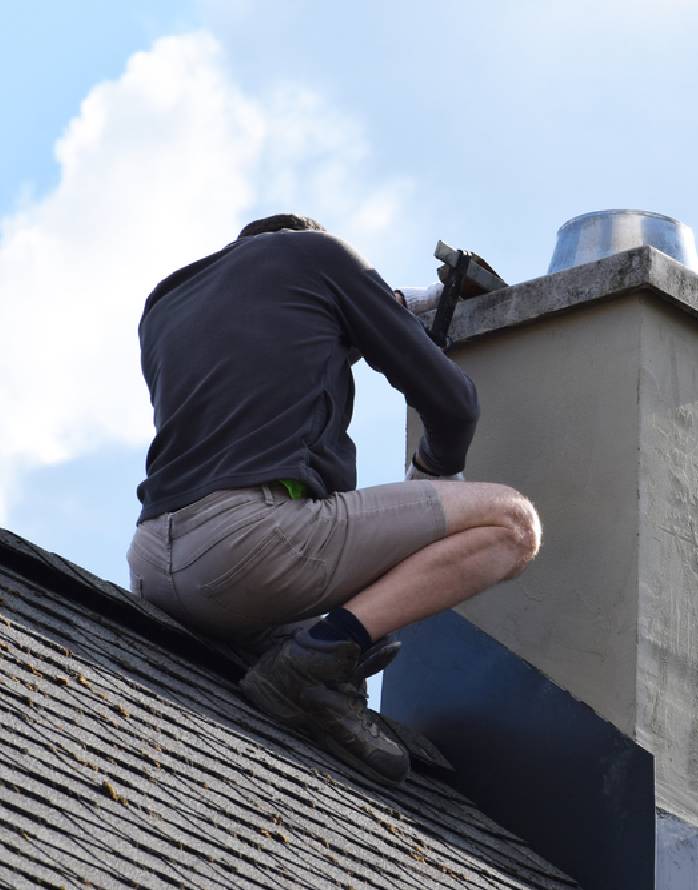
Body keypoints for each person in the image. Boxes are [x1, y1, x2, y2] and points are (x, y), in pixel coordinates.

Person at [126, 213, 541, 784]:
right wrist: (433, 475)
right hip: (247, 552)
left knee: (323, 634)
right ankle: (315, 668)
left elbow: (268, 352)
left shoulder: (166, 306)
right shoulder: (317, 253)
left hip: (154, 567)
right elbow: (453, 404)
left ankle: (315, 660)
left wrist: (367, 315)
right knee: (511, 525)